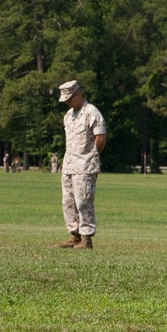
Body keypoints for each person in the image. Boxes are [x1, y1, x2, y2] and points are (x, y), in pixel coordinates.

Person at [54, 80, 107, 250]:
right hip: (69, 165)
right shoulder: (68, 116)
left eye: (69, 99)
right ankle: (74, 235)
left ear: (78, 94)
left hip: (85, 166)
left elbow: (101, 138)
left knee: (83, 200)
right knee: (68, 202)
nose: (67, 103)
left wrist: (91, 157)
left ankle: (86, 239)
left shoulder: (91, 112)